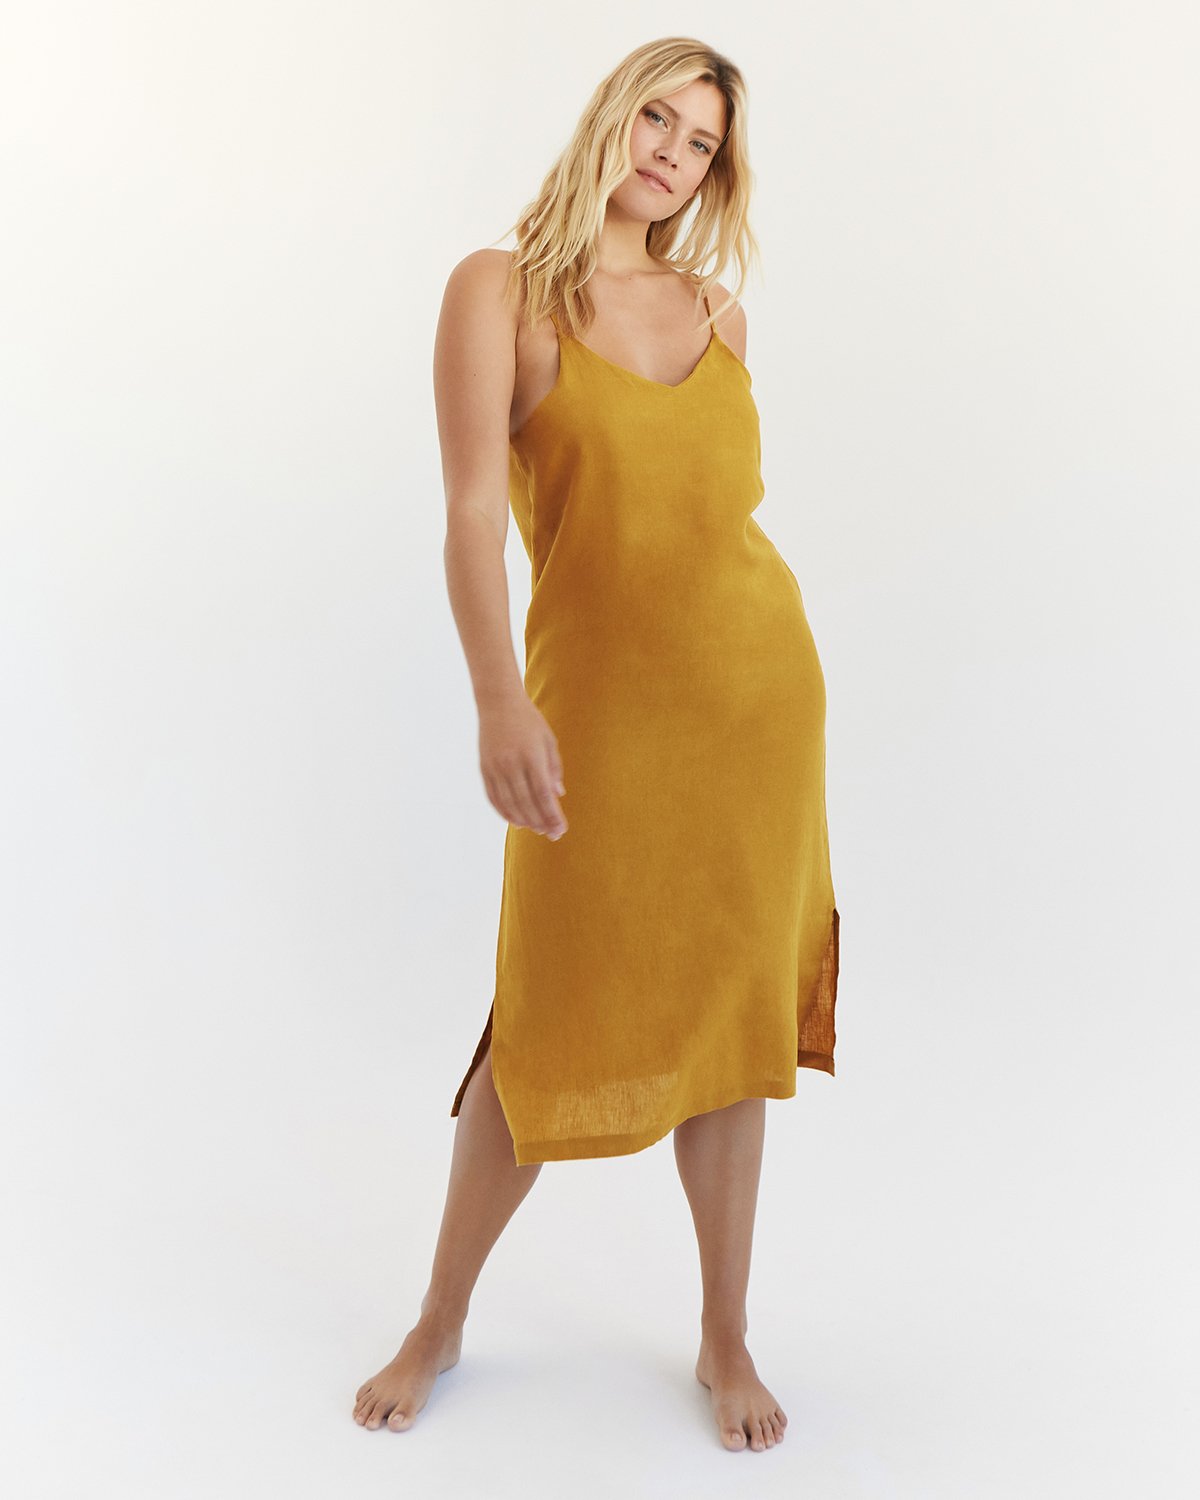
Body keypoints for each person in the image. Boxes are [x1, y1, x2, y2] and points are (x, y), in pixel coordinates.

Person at [354, 36, 839, 1453]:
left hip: (755, 712)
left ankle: (725, 1334)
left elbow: (711, 522)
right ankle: (441, 1318)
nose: (674, 154)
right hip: (596, 723)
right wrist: (497, 700)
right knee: (543, 1016)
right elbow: (469, 516)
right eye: (659, 119)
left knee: (734, 1026)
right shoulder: (498, 291)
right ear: (611, 115)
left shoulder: (719, 313)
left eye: (703, 143)